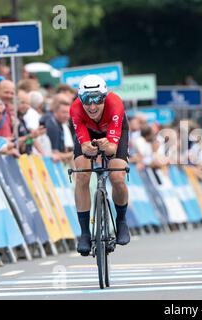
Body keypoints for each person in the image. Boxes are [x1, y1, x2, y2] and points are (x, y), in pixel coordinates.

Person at [70, 75, 130, 256]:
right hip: (87, 131)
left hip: (113, 131)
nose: (92, 106)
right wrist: (88, 148)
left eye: (97, 100)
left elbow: (112, 149)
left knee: (117, 176)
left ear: (105, 96)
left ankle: (121, 221)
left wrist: (107, 146)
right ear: (80, 99)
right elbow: (84, 147)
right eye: (87, 101)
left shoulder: (115, 104)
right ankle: (85, 233)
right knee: (82, 174)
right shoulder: (75, 109)